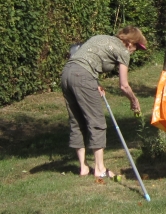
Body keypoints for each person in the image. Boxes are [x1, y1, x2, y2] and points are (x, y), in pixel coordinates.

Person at [61, 27, 147, 178]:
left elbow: (88, 59)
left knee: (76, 121)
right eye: (137, 47)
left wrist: (95, 82)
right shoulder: (123, 51)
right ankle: (100, 169)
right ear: (130, 42)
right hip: (83, 76)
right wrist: (134, 100)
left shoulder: (100, 38)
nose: (136, 51)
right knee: (97, 122)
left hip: (67, 74)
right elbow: (124, 85)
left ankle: (83, 167)